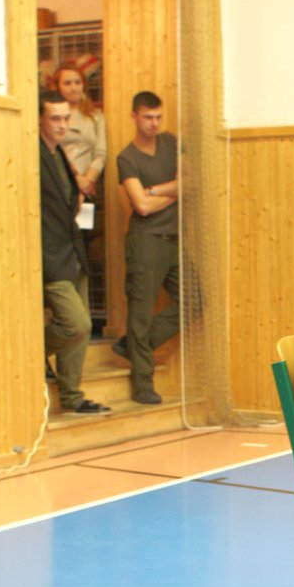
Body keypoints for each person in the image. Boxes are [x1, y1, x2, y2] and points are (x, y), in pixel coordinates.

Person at [38, 91, 109, 415]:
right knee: (76, 324)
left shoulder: (60, 155)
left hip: (72, 251)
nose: (62, 125)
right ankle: (33, 352)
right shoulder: (35, 155)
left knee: (83, 330)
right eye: (55, 118)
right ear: (40, 119)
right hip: (50, 256)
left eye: (66, 118)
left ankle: (72, 396)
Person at [114, 91, 180, 404]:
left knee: (196, 300)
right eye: (147, 117)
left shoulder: (171, 143)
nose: (154, 123)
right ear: (134, 117)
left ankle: (132, 345)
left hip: (174, 239)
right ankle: (142, 385)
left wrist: (153, 191)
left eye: (158, 117)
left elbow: (189, 183)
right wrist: (172, 192)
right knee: (140, 314)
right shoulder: (127, 158)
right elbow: (140, 206)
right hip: (144, 241)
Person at [54, 64, 107, 201]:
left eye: (78, 82)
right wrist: (76, 179)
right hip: (59, 183)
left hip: (88, 187)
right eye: (67, 83)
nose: (74, 88)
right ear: (58, 87)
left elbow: (101, 153)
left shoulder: (96, 116)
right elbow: (54, 151)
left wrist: (88, 181)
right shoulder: (53, 116)